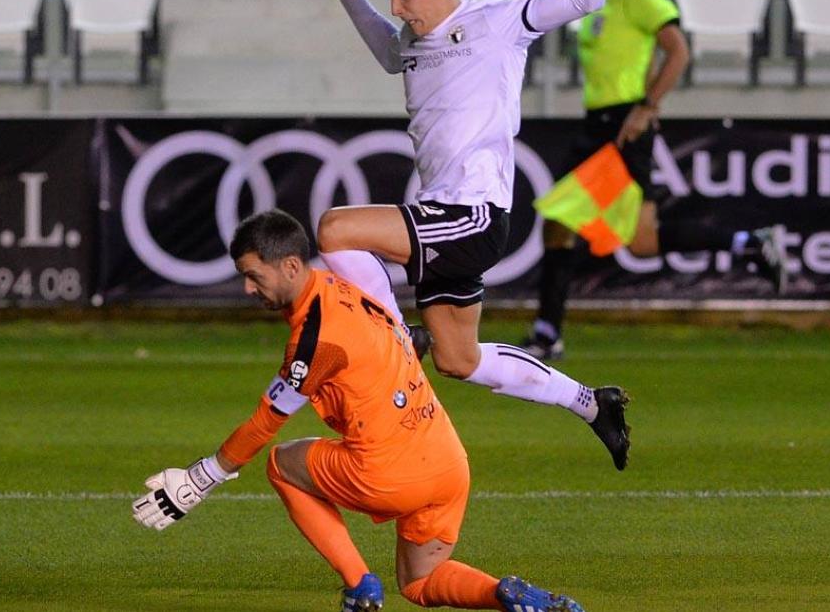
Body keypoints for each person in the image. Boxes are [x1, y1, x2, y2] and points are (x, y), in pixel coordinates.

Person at [317, 0, 634, 469]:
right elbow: (389, 51)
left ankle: (389, 334)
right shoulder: (411, 41)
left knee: (336, 229)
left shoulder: (496, 23)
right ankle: (594, 403)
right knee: (458, 360)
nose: (399, 7)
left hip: (471, 210)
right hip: (450, 214)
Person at [133, 210, 587, 612]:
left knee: (281, 463)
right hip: (447, 462)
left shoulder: (314, 340)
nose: (248, 288)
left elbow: (265, 422)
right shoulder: (342, 287)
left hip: (389, 474)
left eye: (254, 276)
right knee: (421, 582)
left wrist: (202, 478)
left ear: (290, 266)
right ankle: (504, 594)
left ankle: (359, 586)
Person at [520, 0, 791, 361]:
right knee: (639, 241)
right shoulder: (591, 0)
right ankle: (750, 242)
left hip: (622, 128)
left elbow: (678, 49)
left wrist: (647, 108)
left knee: (560, 223)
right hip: (600, 125)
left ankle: (548, 332)